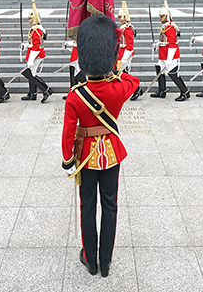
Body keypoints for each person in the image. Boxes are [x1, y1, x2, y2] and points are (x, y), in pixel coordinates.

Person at [61, 14, 139, 279]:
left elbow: (68, 132)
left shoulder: (75, 94)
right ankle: (106, 262)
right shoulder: (118, 88)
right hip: (111, 155)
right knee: (110, 206)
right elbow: (134, 81)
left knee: (87, 207)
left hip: (85, 158)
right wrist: (115, 69)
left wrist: (67, 159)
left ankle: (90, 259)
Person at [149, 0, 189, 101]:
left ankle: (184, 92)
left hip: (169, 54)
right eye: (160, 16)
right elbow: (164, 41)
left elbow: (172, 44)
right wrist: (157, 44)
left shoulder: (171, 27)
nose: (160, 18)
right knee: (159, 71)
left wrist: (169, 59)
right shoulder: (165, 26)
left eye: (162, 16)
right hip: (163, 53)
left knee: (173, 74)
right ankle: (162, 90)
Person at [21, 0, 52, 102]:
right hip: (35, 53)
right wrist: (26, 46)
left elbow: (36, 46)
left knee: (32, 74)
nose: (29, 20)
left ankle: (46, 90)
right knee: (31, 73)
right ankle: (32, 94)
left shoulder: (36, 30)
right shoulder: (37, 28)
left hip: (36, 54)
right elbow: (33, 44)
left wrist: (31, 60)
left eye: (30, 18)